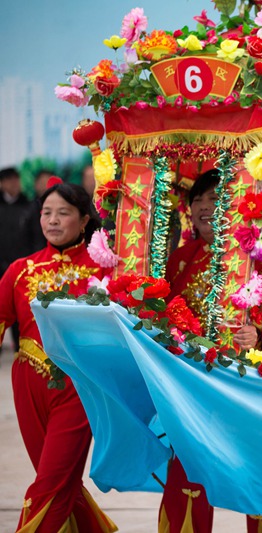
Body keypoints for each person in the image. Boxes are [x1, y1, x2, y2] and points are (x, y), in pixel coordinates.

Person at [160, 169, 262, 533]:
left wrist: (260, 335)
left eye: (214, 199)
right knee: (187, 474)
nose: (204, 207)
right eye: (198, 200)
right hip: (190, 386)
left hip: (245, 384)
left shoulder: (258, 256)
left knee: (258, 473)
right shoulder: (179, 260)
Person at [0, 178, 117, 532]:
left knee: (49, 482)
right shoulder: (19, 271)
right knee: (60, 481)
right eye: (46, 212)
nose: (52, 220)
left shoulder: (106, 269)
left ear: (84, 220)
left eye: (63, 213)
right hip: (28, 384)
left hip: (79, 386)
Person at [0, 167, 32, 354]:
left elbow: (36, 238)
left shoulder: (29, 206)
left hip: (23, 267)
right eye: (10, 180)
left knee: (21, 309)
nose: (14, 184)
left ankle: (22, 348)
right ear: (2, 183)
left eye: (16, 179)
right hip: (1, 266)